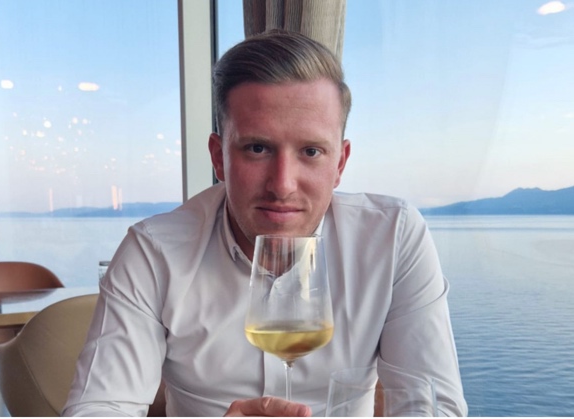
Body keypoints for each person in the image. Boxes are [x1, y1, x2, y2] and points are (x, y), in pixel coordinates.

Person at [63, 30, 467, 417]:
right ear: (219, 157)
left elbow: (433, 406)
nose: (283, 185)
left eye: (311, 151)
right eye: (257, 148)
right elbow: (98, 408)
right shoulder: (153, 253)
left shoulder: (392, 238)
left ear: (340, 163)